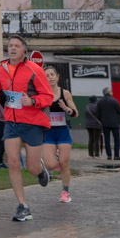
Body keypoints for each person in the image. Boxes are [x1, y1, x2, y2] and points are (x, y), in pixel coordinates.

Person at [0, 35, 54, 221]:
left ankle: (40, 170)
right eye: (10, 45)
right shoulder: (1, 69)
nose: (12, 48)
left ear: (24, 51)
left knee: (32, 168)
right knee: (12, 162)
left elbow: (48, 97)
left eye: (16, 46)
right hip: (11, 122)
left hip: (32, 123)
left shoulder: (35, 70)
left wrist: (32, 100)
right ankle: (22, 206)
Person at [43, 66, 77, 202]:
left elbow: (75, 113)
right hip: (48, 132)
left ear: (57, 77)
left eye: (52, 74)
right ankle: (55, 158)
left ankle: (65, 192)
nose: (50, 77)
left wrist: (66, 108)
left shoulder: (65, 93)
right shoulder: (42, 94)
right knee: (50, 165)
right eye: (47, 75)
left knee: (64, 163)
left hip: (63, 131)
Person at [96, 87, 120, 161]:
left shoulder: (100, 102)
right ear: (109, 92)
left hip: (105, 124)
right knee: (117, 140)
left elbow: (97, 114)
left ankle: (109, 156)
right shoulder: (114, 101)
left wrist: (102, 120)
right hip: (114, 123)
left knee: (107, 140)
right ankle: (116, 155)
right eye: (111, 91)